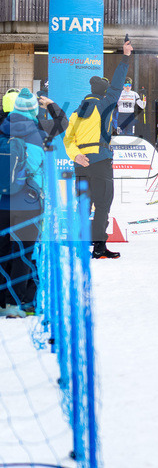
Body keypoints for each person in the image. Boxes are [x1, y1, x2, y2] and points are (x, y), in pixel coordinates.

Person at [63, 39, 133, 259]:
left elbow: (67, 140)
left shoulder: (76, 112)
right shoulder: (104, 104)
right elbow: (118, 85)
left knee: (83, 205)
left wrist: (76, 156)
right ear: (103, 93)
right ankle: (99, 247)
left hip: (81, 163)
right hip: (101, 161)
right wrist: (125, 57)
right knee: (102, 205)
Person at [0, 89, 49, 316]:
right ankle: (16, 303)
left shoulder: (3, 129)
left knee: (2, 253)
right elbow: (39, 170)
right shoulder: (38, 135)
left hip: (3, 202)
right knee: (23, 254)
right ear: (33, 110)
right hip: (28, 203)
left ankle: (2, 302)